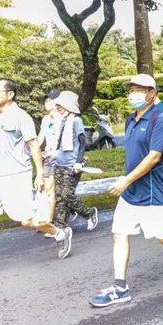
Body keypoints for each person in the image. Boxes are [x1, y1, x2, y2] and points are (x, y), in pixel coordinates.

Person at [89, 73, 163, 307]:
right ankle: (120, 287)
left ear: (152, 93)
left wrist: (125, 181)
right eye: (131, 89)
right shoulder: (131, 119)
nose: (134, 93)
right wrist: (126, 179)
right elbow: (134, 154)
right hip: (131, 190)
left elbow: (154, 157)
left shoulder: (158, 118)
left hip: (152, 191)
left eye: (140, 89)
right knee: (119, 233)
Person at [0, 80, 73, 280]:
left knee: (26, 220)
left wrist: (40, 174)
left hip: (16, 175)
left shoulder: (21, 117)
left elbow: (34, 147)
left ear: (10, 94)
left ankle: (60, 233)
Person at [51, 91, 98, 232]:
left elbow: (83, 143)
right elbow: (60, 142)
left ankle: (89, 213)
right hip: (59, 163)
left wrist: (78, 162)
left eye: (60, 104)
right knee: (59, 197)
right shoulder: (63, 120)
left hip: (72, 165)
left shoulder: (76, 120)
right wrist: (52, 153)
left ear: (68, 105)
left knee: (67, 195)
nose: (57, 107)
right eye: (57, 104)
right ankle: (60, 228)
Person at [38, 89, 61, 225]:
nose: (47, 103)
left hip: (58, 158)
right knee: (46, 189)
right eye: (46, 100)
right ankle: (47, 218)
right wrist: (34, 150)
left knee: (51, 190)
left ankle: (49, 222)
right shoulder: (46, 119)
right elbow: (40, 138)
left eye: (50, 100)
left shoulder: (63, 118)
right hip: (47, 157)